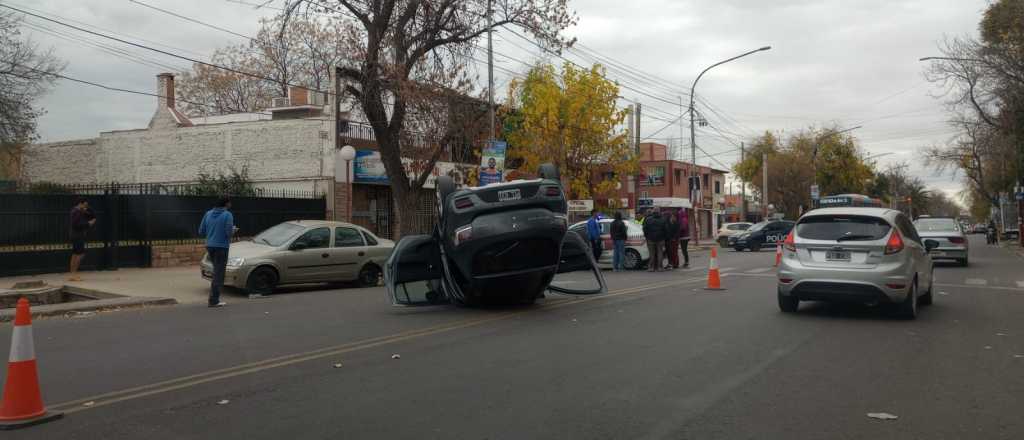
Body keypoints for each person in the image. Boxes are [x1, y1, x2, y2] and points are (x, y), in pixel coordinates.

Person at [199, 197, 234, 308]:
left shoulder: (208, 214)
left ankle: (213, 298)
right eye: (230, 202)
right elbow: (228, 233)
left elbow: (201, 231)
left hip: (210, 246)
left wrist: (212, 231)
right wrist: (233, 230)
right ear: (226, 204)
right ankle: (213, 300)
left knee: (216, 271)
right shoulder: (227, 215)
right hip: (222, 247)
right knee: (219, 273)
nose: (230, 204)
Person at [68, 198, 96, 281]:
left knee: (75, 254)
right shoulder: (76, 212)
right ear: (80, 203)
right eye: (85, 205)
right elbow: (76, 225)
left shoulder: (78, 211)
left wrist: (86, 209)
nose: (86, 207)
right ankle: (73, 275)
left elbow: (93, 215)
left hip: (76, 235)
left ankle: (72, 274)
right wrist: (88, 224)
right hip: (77, 236)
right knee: (80, 254)